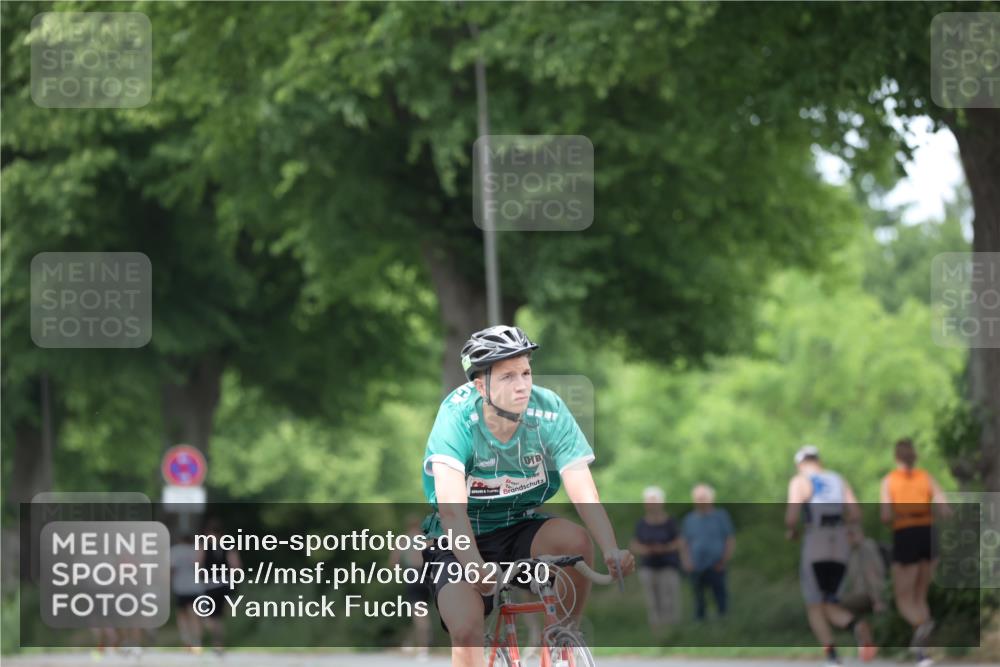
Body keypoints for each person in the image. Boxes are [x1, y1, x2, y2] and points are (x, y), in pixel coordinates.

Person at [421, 325, 635, 667]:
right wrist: (475, 568)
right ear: (480, 385)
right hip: (459, 537)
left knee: (576, 541)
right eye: (507, 377)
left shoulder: (549, 410)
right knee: (465, 629)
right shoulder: (456, 417)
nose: (522, 385)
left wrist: (610, 547)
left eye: (526, 372)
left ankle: (564, 638)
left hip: (518, 526)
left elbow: (582, 488)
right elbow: (451, 512)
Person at [785, 445, 861, 667]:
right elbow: (855, 513)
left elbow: (790, 518)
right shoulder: (838, 479)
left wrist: (792, 531)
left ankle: (831, 655)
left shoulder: (800, 481)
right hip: (840, 542)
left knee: (814, 604)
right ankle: (855, 626)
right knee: (830, 601)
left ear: (800, 464)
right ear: (818, 460)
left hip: (816, 540)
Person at [880, 438, 951, 667]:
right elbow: (945, 509)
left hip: (906, 534)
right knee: (920, 596)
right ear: (915, 456)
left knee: (903, 598)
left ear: (896, 457)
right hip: (928, 533)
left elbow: (885, 516)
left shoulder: (889, 481)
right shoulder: (926, 477)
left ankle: (922, 626)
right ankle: (923, 654)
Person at [630, 485, 683, 630]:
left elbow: (679, 542)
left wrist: (664, 549)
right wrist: (646, 550)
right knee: (652, 601)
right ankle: (657, 630)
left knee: (669, 599)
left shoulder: (670, 522)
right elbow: (635, 544)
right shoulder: (641, 523)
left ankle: (672, 630)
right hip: (648, 566)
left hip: (668, 565)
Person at [680, 483, 734, 621]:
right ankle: (700, 623)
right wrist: (687, 562)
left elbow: (729, 539)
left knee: (720, 596)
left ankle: (723, 621)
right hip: (696, 566)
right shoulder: (689, 519)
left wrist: (724, 560)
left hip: (717, 564)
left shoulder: (721, 516)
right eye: (697, 498)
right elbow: (685, 543)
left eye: (703, 497)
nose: (700, 501)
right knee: (698, 598)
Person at [839, 523, 888, 662]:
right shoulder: (853, 551)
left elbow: (873, 575)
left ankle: (866, 643)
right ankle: (866, 645)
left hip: (870, 594)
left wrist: (878, 599)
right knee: (856, 617)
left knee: (835, 606)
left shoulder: (866, 548)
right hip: (863, 593)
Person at [390, 514, 433, 661]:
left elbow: (393, 562)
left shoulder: (403, 539)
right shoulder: (428, 539)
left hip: (412, 575)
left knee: (419, 614)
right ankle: (412, 643)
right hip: (427, 575)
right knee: (423, 612)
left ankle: (422, 650)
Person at [197, 517, 242, 655]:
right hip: (224, 583)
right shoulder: (228, 545)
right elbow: (236, 566)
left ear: (207, 532)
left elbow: (197, 563)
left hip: (210, 585)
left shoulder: (204, 545)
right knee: (218, 617)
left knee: (208, 616)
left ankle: (214, 640)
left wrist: (201, 576)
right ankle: (218, 645)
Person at [171, 532, 205, 652]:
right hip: (195, 586)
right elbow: (200, 568)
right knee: (195, 615)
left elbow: (171, 569)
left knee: (182, 616)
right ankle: (197, 642)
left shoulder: (175, 551)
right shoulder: (196, 550)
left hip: (180, 587)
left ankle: (186, 641)